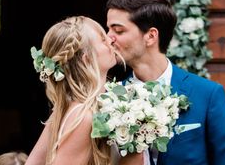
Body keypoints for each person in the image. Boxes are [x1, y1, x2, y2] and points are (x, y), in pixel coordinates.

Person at [106, 0, 225, 165]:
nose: (108, 38)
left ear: (151, 36)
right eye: (108, 29)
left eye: (118, 30)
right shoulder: (111, 100)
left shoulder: (207, 94)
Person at [25, 16, 142, 165]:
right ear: (86, 59)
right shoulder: (82, 117)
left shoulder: (71, 108)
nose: (111, 40)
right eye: (102, 40)